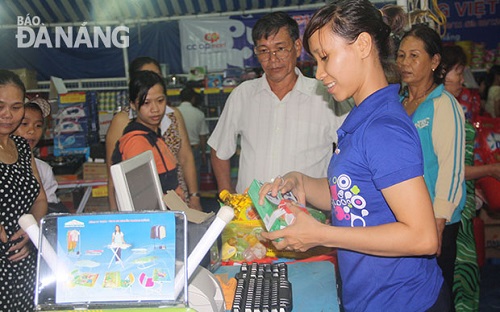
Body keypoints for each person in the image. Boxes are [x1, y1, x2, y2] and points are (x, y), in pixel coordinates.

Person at [259, 2, 448, 311]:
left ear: (362, 44)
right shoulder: (362, 119)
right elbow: (352, 195)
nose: (319, 73)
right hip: (371, 296)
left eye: (325, 57)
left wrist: (324, 235)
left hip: (403, 301)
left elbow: (423, 237)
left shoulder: (383, 129)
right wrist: (301, 181)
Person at [208, 11, 353, 194]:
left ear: (297, 47)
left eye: (280, 48)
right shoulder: (242, 95)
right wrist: (227, 197)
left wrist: (337, 204)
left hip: (308, 216)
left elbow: (351, 153)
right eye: (264, 51)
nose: (273, 59)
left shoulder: (326, 96)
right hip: (252, 217)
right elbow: (219, 150)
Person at [396, 25, 466, 304]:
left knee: (434, 295)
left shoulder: (443, 104)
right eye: (401, 56)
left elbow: (452, 169)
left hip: (437, 221)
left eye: (414, 56)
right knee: (408, 294)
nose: (405, 63)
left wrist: (439, 221)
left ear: (434, 62)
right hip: (405, 217)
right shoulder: (399, 104)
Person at [442, 44, 500, 311]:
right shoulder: (442, 108)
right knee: (458, 274)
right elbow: (448, 169)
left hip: (461, 200)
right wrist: (488, 171)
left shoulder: (454, 104)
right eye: (458, 72)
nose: (462, 79)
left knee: (463, 271)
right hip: (451, 206)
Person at [106, 57, 202, 211]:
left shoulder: (172, 115)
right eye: (145, 76)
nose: (155, 108)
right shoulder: (125, 125)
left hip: (175, 200)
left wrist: (194, 196)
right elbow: (114, 176)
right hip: (149, 209)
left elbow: (186, 157)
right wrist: (116, 216)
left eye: (156, 76)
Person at [0, 69, 48, 311]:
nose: (7, 115)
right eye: (0, 106)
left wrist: (33, 229)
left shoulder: (20, 145)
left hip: (26, 255)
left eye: (16, 107)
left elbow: (40, 199)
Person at [111, 70, 184, 199]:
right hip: (157, 216)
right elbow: (141, 196)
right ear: (133, 104)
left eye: (160, 101)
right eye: (146, 103)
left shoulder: (152, 135)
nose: (155, 109)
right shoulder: (137, 142)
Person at [13, 97, 68, 213]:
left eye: (38, 125)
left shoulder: (43, 169)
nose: (32, 130)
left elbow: (50, 206)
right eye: (24, 124)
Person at [177, 87, 209, 186]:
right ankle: (194, 198)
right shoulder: (199, 113)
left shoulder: (173, 113)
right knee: (194, 178)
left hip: (177, 150)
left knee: (179, 178)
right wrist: (203, 153)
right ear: (193, 99)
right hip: (194, 150)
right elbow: (202, 136)